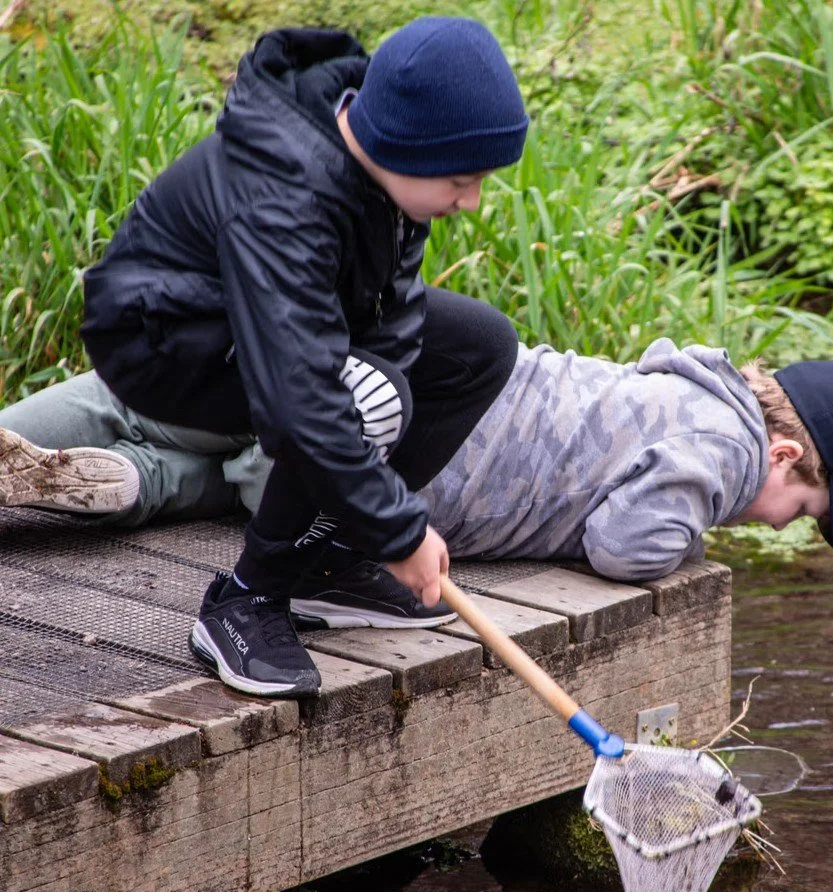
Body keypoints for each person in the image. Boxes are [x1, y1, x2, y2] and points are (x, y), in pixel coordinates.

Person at [55, 18, 530, 699]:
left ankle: (325, 565)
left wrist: (366, 514)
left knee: (478, 348)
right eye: (462, 178)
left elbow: (392, 321)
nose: (473, 199)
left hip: (268, 315)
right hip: (161, 338)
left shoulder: (389, 166)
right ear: (403, 147)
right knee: (358, 398)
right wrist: (397, 532)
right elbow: (301, 403)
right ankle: (244, 602)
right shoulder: (285, 196)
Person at [1, 337, 833, 585]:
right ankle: (131, 483)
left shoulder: (680, 386)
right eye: (807, 511)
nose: (783, 526)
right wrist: (693, 540)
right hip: (415, 463)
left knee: (197, 421)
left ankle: (86, 468)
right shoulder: (728, 453)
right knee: (233, 468)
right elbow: (628, 544)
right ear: (784, 452)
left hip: (393, 422)